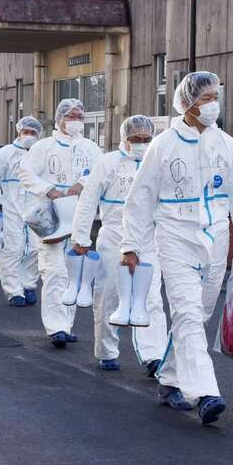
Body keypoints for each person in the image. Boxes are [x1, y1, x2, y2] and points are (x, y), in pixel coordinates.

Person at [120, 71, 233, 425]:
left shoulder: (225, 144)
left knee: (197, 316)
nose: (212, 104)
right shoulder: (164, 145)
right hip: (174, 237)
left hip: (215, 240)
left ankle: (168, 379)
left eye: (215, 96)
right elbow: (140, 199)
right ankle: (205, 392)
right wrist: (131, 245)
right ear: (187, 103)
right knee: (185, 312)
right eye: (205, 99)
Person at [71, 114, 168, 375]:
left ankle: (153, 354)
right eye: (135, 139)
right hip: (113, 235)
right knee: (109, 295)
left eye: (146, 139)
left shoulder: (157, 163)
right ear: (124, 139)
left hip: (149, 237)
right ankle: (107, 351)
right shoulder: (108, 163)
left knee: (151, 298)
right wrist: (81, 238)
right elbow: (88, 201)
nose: (141, 144)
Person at [20, 99, 103, 348]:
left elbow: (100, 172)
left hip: (79, 216)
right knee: (54, 271)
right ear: (59, 119)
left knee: (71, 273)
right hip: (52, 216)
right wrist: (49, 189)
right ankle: (55, 327)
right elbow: (26, 173)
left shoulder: (90, 148)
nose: (75, 120)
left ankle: (66, 325)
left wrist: (82, 183)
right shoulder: (43, 147)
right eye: (70, 116)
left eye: (79, 115)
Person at [0, 116, 42, 308]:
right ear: (19, 131)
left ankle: (29, 284)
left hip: (35, 206)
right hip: (12, 207)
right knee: (13, 248)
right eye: (26, 132)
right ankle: (13, 290)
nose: (29, 136)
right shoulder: (6, 153)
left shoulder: (40, 152)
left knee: (34, 248)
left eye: (33, 133)